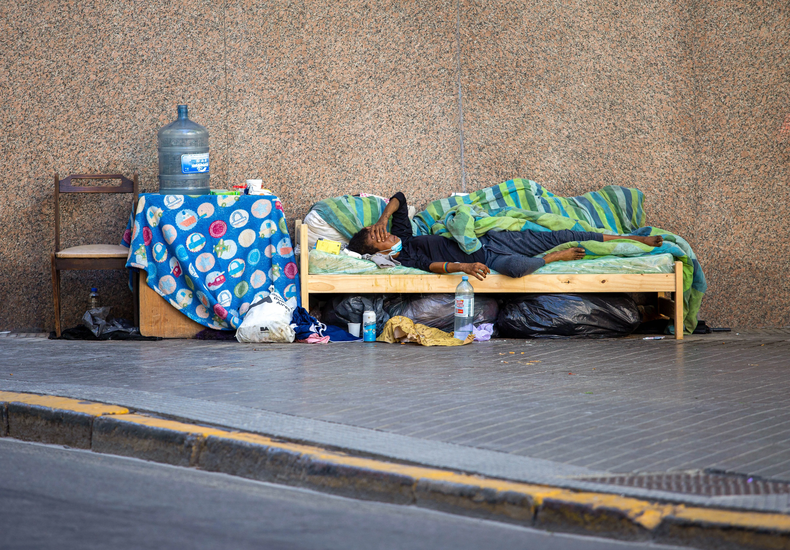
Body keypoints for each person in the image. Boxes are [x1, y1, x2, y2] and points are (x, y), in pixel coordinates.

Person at [346, 192, 663, 280]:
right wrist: (464, 267)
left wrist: (383, 217)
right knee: (517, 269)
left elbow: (399, 196)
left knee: (567, 232)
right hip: (486, 257)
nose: (383, 235)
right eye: (377, 238)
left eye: (379, 232)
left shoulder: (404, 234)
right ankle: (556, 256)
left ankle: (635, 238)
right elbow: (433, 268)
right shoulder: (403, 256)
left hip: (490, 237)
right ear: (376, 251)